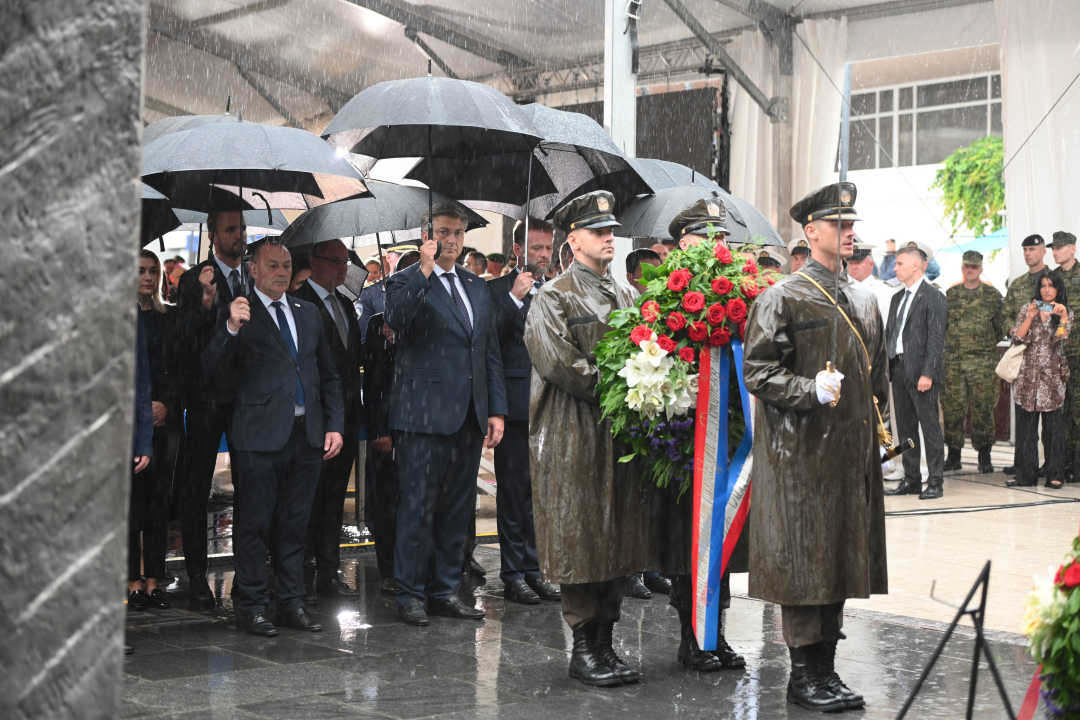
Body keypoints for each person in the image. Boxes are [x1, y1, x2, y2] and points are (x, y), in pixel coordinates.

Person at [743, 182, 887, 712]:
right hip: (800, 454)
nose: (849, 233)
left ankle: (826, 669)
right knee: (806, 562)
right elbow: (757, 370)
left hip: (849, 454)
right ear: (811, 231)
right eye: (838, 225)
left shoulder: (864, 299)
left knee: (840, 558)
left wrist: (880, 434)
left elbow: (877, 379)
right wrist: (808, 389)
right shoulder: (781, 296)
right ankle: (804, 675)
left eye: (852, 225)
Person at [524, 190, 649, 687]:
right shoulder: (553, 296)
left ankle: (605, 641)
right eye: (598, 232)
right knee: (581, 534)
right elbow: (558, 362)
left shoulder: (628, 296)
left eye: (611, 230)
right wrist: (625, 385)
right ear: (574, 241)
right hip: (573, 431)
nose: (608, 238)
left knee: (615, 533)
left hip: (618, 434)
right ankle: (583, 646)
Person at [202, 239, 344, 637]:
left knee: (295, 524)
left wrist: (334, 424)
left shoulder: (308, 312)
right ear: (253, 270)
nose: (282, 272)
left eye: (286, 265)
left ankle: (291, 602)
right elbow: (213, 370)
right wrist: (231, 328)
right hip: (258, 436)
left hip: (307, 435)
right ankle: (251, 606)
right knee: (254, 524)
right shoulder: (239, 311)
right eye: (272, 265)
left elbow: (327, 374)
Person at [384, 202, 507, 627]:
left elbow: (488, 351)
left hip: (469, 415)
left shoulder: (475, 286)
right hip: (422, 415)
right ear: (427, 237)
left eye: (457, 232)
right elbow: (396, 321)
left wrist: (496, 410)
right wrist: (423, 269)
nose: (451, 240)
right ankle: (409, 593)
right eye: (443, 232)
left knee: (457, 508)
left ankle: (445, 590)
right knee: (417, 507)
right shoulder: (405, 279)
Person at [175, 210, 251, 606]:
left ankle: (247, 576)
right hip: (205, 397)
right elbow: (185, 338)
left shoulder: (252, 276)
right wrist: (206, 301)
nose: (239, 235)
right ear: (213, 234)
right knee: (197, 487)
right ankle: (196, 577)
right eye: (230, 229)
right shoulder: (194, 279)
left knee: (250, 486)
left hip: (246, 397)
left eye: (242, 227)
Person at [484, 218, 562, 605]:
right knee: (514, 494)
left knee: (541, 496)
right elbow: (487, 341)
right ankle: (513, 573)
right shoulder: (496, 290)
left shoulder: (556, 290)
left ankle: (536, 570)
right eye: (537, 248)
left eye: (548, 248)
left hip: (551, 405)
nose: (544, 255)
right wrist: (514, 301)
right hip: (514, 405)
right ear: (517, 250)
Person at [292, 240, 364, 602]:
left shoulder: (346, 305)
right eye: (335, 261)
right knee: (308, 499)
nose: (341, 269)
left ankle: (328, 570)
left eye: (345, 262)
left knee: (335, 497)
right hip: (314, 417)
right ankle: (300, 574)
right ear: (314, 261)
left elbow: (352, 360)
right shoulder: (298, 302)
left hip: (346, 416)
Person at [128, 250, 187, 612]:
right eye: (140, 271)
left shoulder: (170, 319)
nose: (148, 277)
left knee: (158, 505)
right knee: (132, 504)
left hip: (164, 422)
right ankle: (132, 580)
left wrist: (166, 403)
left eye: (153, 271)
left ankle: (153, 580)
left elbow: (181, 368)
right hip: (131, 426)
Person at [362, 250, 420, 595]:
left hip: (422, 424)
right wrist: (379, 429)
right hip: (388, 425)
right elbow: (373, 379)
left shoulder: (429, 317)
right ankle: (389, 569)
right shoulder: (378, 323)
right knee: (386, 501)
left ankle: (415, 568)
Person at [885, 241, 949, 500]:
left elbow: (936, 339)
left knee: (930, 427)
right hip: (899, 369)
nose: (895, 268)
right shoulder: (897, 297)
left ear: (915, 265)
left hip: (922, 373)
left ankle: (935, 482)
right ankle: (911, 479)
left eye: (899, 263)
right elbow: (891, 334)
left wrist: (928, 373)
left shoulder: (934, 297)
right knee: (906, 428)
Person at [1008, 272, 1073, 489]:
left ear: (1058, 289)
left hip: (1052, 382)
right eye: (1043, 285)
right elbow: (1018, 337)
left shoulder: (1065, 312)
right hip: (1027, 380)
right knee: (1026, 433)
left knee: (1054, 433)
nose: (1047, 290)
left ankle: (1055, 475)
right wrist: (1029, 316)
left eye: (1051, 286)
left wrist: (1063, 319)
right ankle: (1025, 475)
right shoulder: (1028, 309)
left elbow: (1061, 341)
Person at [942, 251, 1003, 475]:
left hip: (982, 364)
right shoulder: (950, 295)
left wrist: (981, 345)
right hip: (954, 363)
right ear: (962, 268)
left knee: (983, 409)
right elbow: (943, 326)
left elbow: (999, 327)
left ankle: (984, 456)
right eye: (967, 266)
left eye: (974, 267)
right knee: (952, 409)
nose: (970, 270)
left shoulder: (992, 295)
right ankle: (953, 456)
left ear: (981, 269)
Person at [1051, 231, 1080, 481]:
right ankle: (1066, 463)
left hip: (1079, 353)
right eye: (1053, 248)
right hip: (1059, 354)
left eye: (1060, 247)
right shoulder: (1051, 278)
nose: (1055, 251)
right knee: (1063, 410)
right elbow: (1040, 304)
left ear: (1072, 248)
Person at [357, 243, 416, 342]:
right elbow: (363, 337)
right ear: (388, 257)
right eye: (402, 255)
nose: (409, 261)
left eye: (414, 256)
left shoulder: (429, 286)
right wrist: (384, 334)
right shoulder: (370, 293)